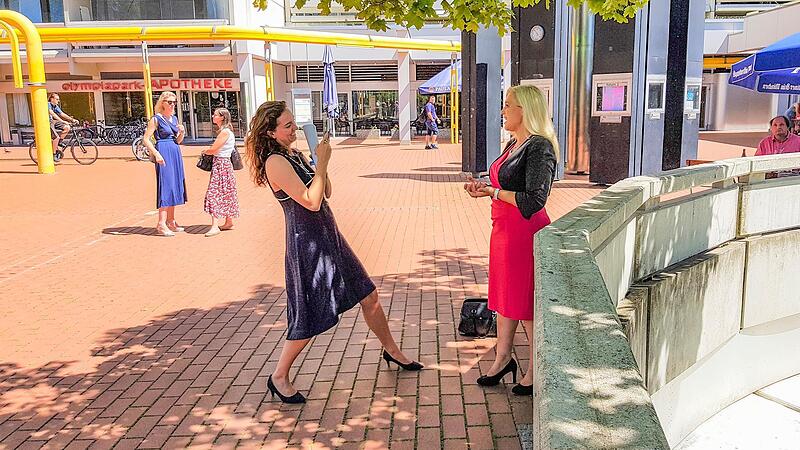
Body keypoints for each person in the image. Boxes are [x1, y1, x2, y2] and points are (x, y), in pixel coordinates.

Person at [245, 101, 422, 404]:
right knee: (310, 314)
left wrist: (319, 160)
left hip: (329, 237)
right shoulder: (275, 162)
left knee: (369, 295)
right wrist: (323, 162)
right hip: (308, 245)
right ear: (271, 132)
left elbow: (326, 191)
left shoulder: (294, 155)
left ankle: (392, 351)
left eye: (293, 123)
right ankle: (279, 376)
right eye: (287, 126)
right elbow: (311, 201)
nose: (294, 129)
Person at [463, 85, 558, 396]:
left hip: (524, 233)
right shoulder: (514, 143)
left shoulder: (539, 146)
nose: (503, 111)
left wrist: (493, 192)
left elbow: (535, 201)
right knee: (505, 299)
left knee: (525, 303)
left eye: (508, 105)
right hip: (504, 230)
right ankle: (503, 358)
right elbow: (506, 185)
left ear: (524, 110)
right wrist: (483, 188)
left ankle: (536, 368)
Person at [141, 91, 188, 237]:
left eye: (174, 102)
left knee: (175, 184)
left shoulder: (174, 118)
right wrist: (156, 154)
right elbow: (146, 139)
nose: (172, 104)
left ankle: (171, 220)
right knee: (166, 185)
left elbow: (178, 140)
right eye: (169, 102)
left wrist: (182, 132)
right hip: (163, 150)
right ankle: (161, 223)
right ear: (162, 103)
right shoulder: (156, 119)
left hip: (174, 151)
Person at [202, 108, 240, 237]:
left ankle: (215, 226)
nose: (213, 116)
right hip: (225, 165)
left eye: (215, 115)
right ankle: (229, 221)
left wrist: (205, 151)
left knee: (214, 193)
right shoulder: (227, 131)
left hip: (221, 165)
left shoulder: (224, 132)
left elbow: (213, 150)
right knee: (226, 192)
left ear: (222, 117)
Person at [48, 93, 77, 160]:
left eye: (58, 99)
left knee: (67, 127)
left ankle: (58, 143)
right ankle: (54, 154)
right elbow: (52, 114)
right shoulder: (48, 104)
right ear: (52, 99)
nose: (58, 101)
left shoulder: (55, 106)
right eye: (57, 99)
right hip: (47, 122)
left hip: (53, 121)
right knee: (56, 137)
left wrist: (72, 119)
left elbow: (62, 114)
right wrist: (63, 121)